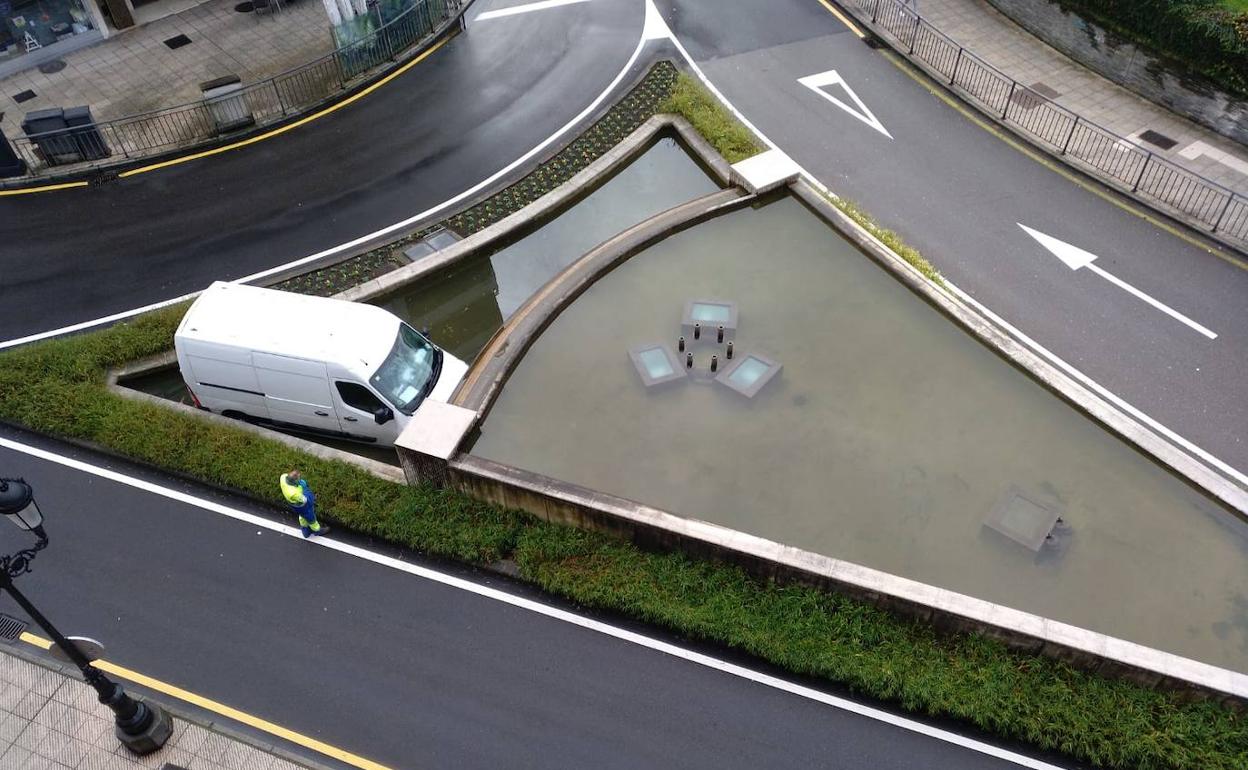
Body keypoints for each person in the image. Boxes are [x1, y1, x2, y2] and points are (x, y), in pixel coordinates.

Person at [279, 469, 330, 538]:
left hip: (295, 506)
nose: (300, 479)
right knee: (311, 518)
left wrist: (298, 484)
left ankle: (305, 531)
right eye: (298, 479)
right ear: (294, 481)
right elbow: (306, 500)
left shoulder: (283, 477)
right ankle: (317, 530)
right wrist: (305, 488)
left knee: (302, 516)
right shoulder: (294, 493)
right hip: (302, 506)